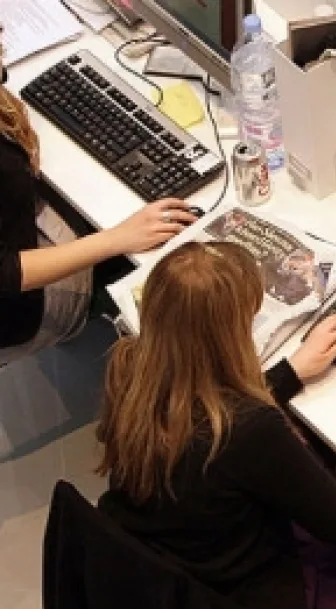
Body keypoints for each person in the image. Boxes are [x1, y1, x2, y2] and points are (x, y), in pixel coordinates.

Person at [95, 242, 336, 609]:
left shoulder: (128, 372)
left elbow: (201, 409)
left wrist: (290, 371)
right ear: (229, 336)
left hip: (189, 573)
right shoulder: (249, 428)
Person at [0, 42, 195, 366]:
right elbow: (5, 274)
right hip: (18, 309)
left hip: (19, 234)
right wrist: (117, 239)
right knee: (148, 263)